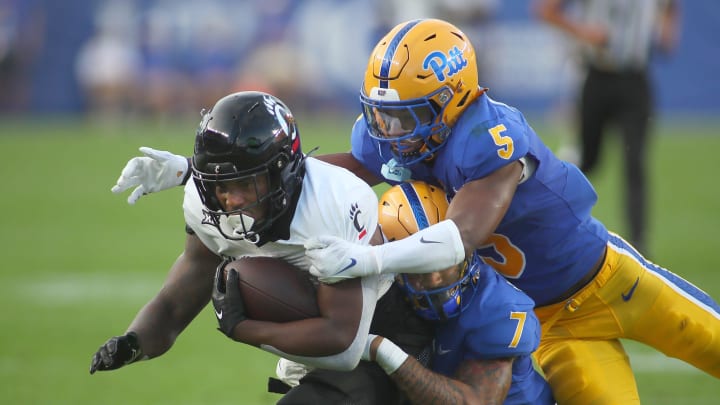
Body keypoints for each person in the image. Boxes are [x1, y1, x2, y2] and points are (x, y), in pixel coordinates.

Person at [109, 18, 720, 405]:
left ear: (454, 100)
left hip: (607, 280)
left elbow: (460, 236)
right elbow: (308, 176)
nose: (386, 130)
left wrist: (369, 256)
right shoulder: (388, 135)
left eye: (404, 115)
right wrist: (205, 174)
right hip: (544, 318)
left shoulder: (489, 138)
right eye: (380, 113)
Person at [90, 90, 435, 404]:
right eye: (221, 185)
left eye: (245, 183)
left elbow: (344, 342)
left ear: (282, 172)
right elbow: (174, 303)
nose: (231, 199)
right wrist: (133, 343)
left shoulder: (331, 204)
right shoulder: (207, 202)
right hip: (324, 340)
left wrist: (245, 329)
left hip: (385, 335)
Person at [366, 180, 555, 405]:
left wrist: (382, 350)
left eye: (446, 262)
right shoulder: (388, 292)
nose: (435, 278)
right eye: (419, 269)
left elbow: (475, 402)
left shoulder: (496, 308)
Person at [534, 0, 680, 253]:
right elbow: (546, 10)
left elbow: (670, 7)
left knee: (635, 161)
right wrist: (583, 31)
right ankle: (542, 215)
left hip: (636, 79)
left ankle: (639, 245)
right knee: (589, 160)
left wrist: (668, 30)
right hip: (598, 77)